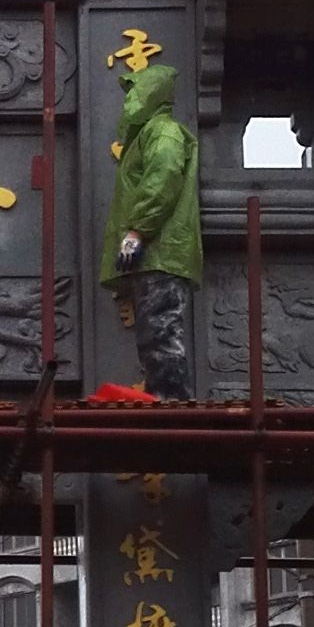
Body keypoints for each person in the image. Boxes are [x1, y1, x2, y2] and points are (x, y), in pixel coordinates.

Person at [104, 61, 202, 400]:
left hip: (162, 252)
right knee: (154, 333)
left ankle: (171, 402)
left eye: (136, 92)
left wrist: (138, 232)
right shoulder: (150, 133)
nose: (130, 100)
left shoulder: (162, 132)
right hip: (156, 255)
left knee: (161, 332)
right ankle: (165, 397)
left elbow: (162, 181)